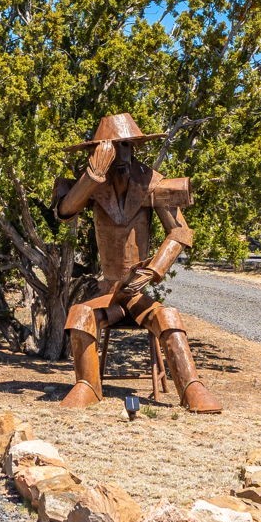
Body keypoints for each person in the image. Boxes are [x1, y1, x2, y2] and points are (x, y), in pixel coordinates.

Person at [53, 114, 221, 413]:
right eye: (115, 146)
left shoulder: (151, 181)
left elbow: (180, 232)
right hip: (107, 293)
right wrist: (93, 175)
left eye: (128, 146)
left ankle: (192, 386)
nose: (123, 153)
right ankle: (87, 385)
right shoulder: (90, 182)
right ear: (100, 149)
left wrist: (153, 270)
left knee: (167, 316)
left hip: (137, 292)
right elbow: (65, 210)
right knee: (80, 314)